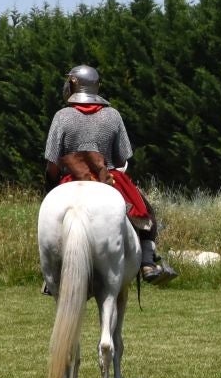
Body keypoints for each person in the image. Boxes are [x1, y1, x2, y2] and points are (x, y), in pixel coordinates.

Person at [43, 66, 175, 283]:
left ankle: (51, 276)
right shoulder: (112, 115)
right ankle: (148, 264)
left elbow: (52, 164)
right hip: (109, 180)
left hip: (72, 179)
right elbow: (122, 160)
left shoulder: (61, 116)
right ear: (95, 86)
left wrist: (51, 189)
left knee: (52, 219)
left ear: (73, 84)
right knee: (146, 214)